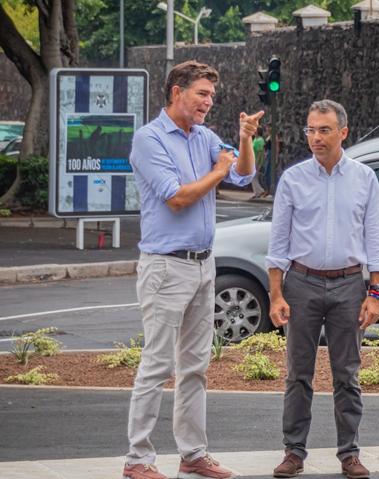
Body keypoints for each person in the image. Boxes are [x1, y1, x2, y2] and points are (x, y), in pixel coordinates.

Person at [124, 60, 262, 479]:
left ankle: (193, 453)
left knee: (196, 366)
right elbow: (178, 198)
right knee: (157, 365)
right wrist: (218, 169)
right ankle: (138, 460)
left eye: (211, 97)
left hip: (204, 266)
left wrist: (243, 139)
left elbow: (243, 174)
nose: (208, 102)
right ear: (176, 91)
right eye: (201, 94)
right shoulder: (149, 140)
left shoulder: (203, 137)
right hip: (166, 267)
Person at [266, 99, 379, 479]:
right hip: (300, 283)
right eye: (310, 130)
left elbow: (374, 239)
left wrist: (375, 293)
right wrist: (276, 294)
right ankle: (293, 452)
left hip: (350, 285)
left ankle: (349, 453)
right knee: (297, 374)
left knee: (347, 374)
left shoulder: (364, 178)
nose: (315, 138)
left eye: (323, 130)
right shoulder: (293, 179)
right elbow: (278, 242)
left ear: (343, 133)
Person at [251, 126, 268, 198]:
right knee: (253, 177)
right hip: (252, 160)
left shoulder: (260, 140)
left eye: (255, 130)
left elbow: (261, 153)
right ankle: (256, 193)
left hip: (256, 161)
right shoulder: (255, 139)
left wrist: (259, 163)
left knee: (253, 177)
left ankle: (260, 191)